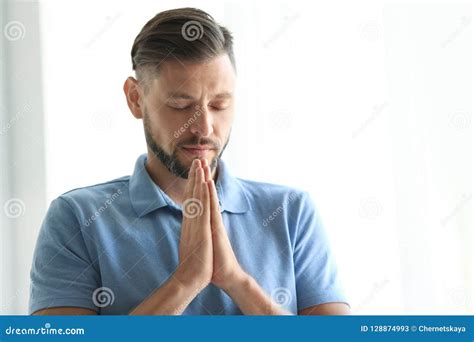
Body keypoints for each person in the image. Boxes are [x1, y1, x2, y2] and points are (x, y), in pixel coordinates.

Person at [29, 7, 350, 315]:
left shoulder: (291, 212)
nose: (204, 127)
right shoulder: (77, 218)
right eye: (181, 105)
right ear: (135, 98)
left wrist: (237, 282)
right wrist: (186, 281)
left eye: (220, 104)